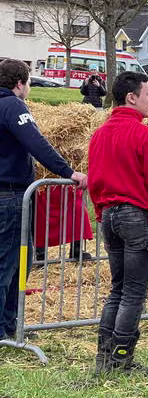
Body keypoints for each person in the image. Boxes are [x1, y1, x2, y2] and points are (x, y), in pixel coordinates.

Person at [88, 71, 148, 375]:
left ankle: (105, 358)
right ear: (131, 97)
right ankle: (121, 360)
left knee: (117, 289)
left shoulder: (100, 134)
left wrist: (102, 215)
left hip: (109, 217)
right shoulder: (146, 136)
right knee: (133, 293)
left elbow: (94, 181)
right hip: (137, 219)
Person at [0, 59, 87, 340]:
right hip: (10, 193)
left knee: (13, 261)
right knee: (11, 263)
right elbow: (36, 143)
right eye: (28, 83)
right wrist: (68, 172)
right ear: (20, 83)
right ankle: (3, 328)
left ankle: (9, 324)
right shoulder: (12, 106)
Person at [34, 185, 94, 264]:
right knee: (40, 220)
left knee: (78, 212)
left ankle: (76, 250)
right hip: (44, 189)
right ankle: (40, 256)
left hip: (68, 189)